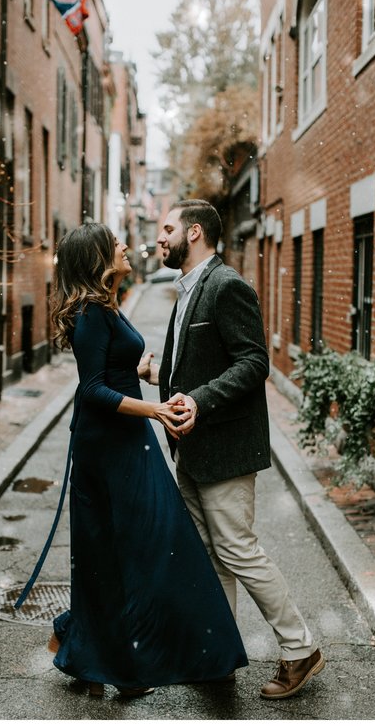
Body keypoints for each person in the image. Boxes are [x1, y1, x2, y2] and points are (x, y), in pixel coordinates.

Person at [34, 222, 248, 697]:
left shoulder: (108, 305)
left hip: (127, 441)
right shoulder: (90, 313)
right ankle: (112, 657)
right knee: (141, 548)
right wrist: (154, 409)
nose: (127, 245)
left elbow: (109, 370)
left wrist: (142, 372)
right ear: (97, 258)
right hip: (108, 448)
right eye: (116, 244)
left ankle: (101, 655)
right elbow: (92, 390)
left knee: (139, 548)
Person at [139, 199, 324, 700]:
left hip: (225, 450)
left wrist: (198, 399)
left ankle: (300, 648)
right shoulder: (187, 290)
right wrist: (156, 375)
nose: (160, 238)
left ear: (194, 232)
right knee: (209, 558)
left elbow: (253, 363)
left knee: (238, 551)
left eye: (168, 229)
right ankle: (219, 653)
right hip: (193, 452)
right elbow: (198, 368)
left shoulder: (226, 286)